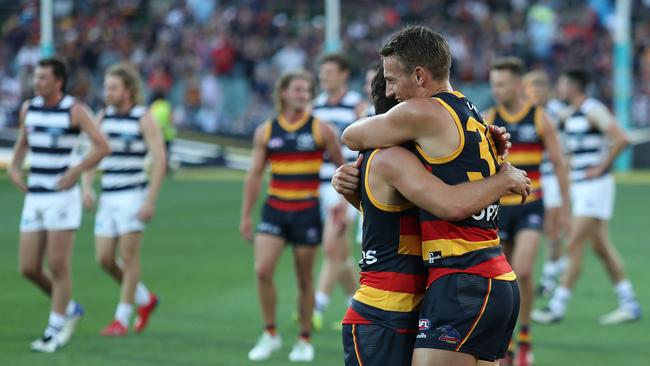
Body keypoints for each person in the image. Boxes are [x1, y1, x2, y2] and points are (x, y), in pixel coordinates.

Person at [342, 25, 520, 366]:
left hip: (461, 280)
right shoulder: (472, 114)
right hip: (495, 279)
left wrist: (506, 179)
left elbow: (351, 135)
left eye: (393, 79)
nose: (392, 91)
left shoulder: (418, 117)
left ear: (420, 76)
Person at [239, 71, 345, 362]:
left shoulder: (321, 129)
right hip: (274, 208)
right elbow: (254, 175)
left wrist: (342, 204)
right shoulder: (266, 131)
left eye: (307, 90)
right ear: (283, 93)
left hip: (307, 211)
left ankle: (304, 338)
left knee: (304, 280)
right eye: (298, 90)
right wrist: (245, 215)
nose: (303, 95)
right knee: (262, 270)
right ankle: (270, 334)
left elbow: (345, 167)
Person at [7, 58, 110, 352]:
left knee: (58, 265)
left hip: (62, 198)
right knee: (28, 267)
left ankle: (53, 331)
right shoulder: (30, 108)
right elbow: (23, 142)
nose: (36, 82)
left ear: (58, 82)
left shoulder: (74, 110)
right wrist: (15, 169)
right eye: (36, 77)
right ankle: (69, 308)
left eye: (42, 78)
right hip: (35, 196)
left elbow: (102, 145)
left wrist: (76, 171)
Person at [532, 69, 642, 325]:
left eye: (561, 82)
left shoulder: (593, 109)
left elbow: (622, 139)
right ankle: (629, 303)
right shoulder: (569, 114)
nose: (558, 87)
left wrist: (601, 167)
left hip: (595, 187)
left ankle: (556, 307)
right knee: (600, 248)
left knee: (572, 242)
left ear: (573, 86)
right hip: (580, 187)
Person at [484, 58, 571, 366]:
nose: (496, 89)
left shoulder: (539, 118)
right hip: (497, 210)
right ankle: (504, 343)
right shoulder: (489, 119)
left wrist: (565, 210)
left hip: (530, 206)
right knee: (502, 279)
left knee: (522, 271)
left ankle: (524, 337)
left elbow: (560, 164)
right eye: (493, 84)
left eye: (502, 84)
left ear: (518, 84)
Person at [82, 63, 164, 336]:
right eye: (106, 87)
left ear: (128, 90)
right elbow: (92, 155)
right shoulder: (103, 117)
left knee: (129, 259)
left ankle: (122, 318)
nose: (108, 92)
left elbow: (160, 160)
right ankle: (145, 299)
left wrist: (150, 200)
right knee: (104, 259)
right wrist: (86, 187)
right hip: (109, 195)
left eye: (113, 87)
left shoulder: (144, 117)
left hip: (132, 194)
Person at [311, 54, 364, 330]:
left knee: (331, 246)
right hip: (318, 187)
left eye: (329, 72)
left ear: (343, 74)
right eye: (322, 73)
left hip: (343, 185)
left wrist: (347, 196)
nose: (324, 78)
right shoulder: (316, 107)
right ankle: (355, 305)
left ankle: (316, 308)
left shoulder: (356, 105)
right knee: (339, 254)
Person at [522, 71, 570, 297]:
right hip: (536, 176)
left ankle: (550, 276)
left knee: (552, 226)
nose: (536, 95)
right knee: (539, 228)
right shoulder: (527, 114)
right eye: (532, 91)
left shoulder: (558, 113)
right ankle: (554, 268)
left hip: (554, 175)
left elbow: (568, 144)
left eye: (539, 90)